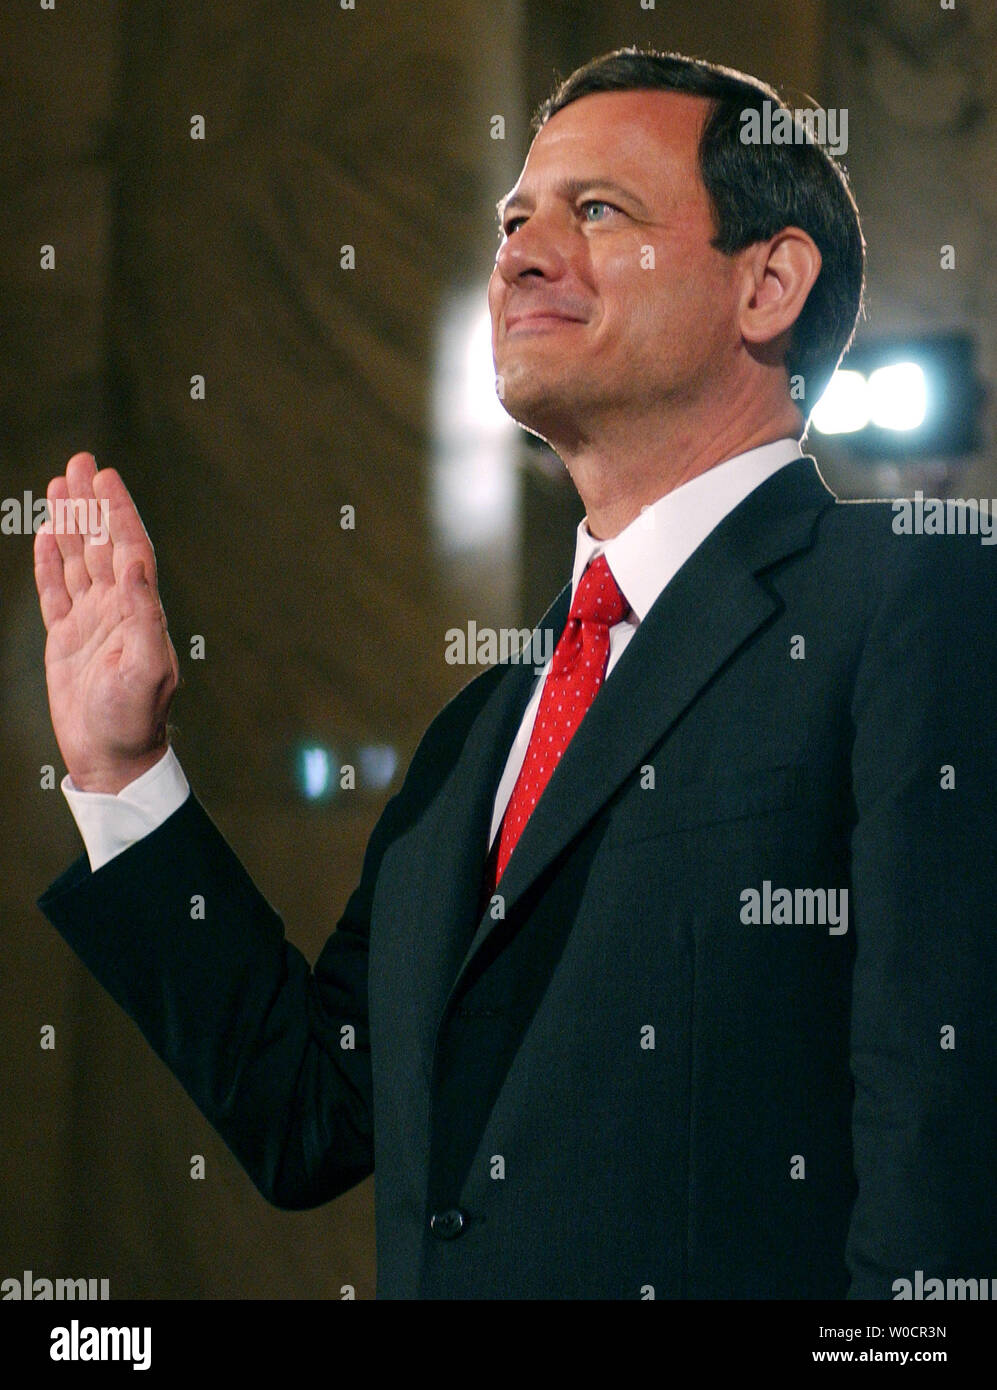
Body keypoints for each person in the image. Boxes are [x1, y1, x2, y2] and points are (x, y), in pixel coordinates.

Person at [34, 48, 996, 1299]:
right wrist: (123, 772)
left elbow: (946, 1130)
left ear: (768, 283)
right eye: (513, 218)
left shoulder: (916, 595)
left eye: (598, 210)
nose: (521, 253)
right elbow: (311, 1114)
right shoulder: (486, 725)